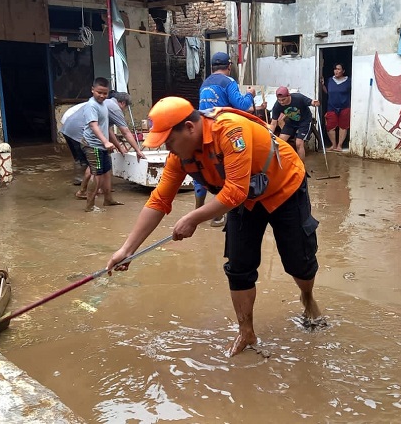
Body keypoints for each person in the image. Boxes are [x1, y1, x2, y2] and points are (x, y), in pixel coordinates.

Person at [105, 97, 324, 357]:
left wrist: (193, 218)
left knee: (298, 261)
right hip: (246, 198)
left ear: (189, 128)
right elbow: (159, 200)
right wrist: (127, 249)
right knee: (239, 266)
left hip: (284, 187)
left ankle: (307, 296)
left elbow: (234, 192)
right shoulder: (179, 156)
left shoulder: (230, 131)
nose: (168, 149)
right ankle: (246, 332)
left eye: (169, 141)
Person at [195, 51, 258, 228]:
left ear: (212, 67)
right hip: (222, 131)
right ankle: (217, 216)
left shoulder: (205, 83)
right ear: (229, 66)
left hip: (203, 131)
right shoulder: (229, 82)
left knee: (202, 169)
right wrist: (250, 94)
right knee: (224, 171)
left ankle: (198, 212)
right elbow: (243, 105)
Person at [77, 92, 146, 199]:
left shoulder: (107, 104)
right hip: (90, 139)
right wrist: (138, 150)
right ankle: (86, 195)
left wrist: (120, 147)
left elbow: (108, 131)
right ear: (123, 103)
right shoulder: (114, 108)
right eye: (126, 107)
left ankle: (101, 193)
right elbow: (125, 132)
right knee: (95, 170)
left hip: (87, 134)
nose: (124, 110)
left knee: (101, 167)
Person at [80, 77, 126, 212]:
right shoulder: (91, 105)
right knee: (97, 174)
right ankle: (89, 206)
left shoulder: (103, 104)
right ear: (92, 90)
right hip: (92, 145)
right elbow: (94, 126)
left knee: (106, 172)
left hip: (101, 145)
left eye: (105, 93)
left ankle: (108, 199)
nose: (102, 95)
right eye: (99, 92)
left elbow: (106, 127)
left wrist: (114, 143)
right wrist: (105, 142)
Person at [269, 86, 320, 161]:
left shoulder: (298, 98)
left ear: (288, 95)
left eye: (283, 99)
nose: (281, 102)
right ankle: (284, 162)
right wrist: (269, 134)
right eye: (279, 100)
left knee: (299, 143)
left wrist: (315, 103)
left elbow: (311, 102)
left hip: (304, 121)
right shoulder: (277, 105)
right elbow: (273, 123)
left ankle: (301, 166)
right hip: (291, 121)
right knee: (280, 141)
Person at [320, 63, 352, 151]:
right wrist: (322, 85)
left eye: (338, 69)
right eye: (335, 69)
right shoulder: (330, 80)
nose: (336, 71)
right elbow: (327, 92)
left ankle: (339, 146)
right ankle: (333, 145)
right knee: (330, 126)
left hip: (345, 107)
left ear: (343, 71)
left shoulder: (349, 81)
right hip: (331, 106)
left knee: (343, 126)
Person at [60, 101, 89, 186]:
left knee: (77, 154)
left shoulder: (90, 103)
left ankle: (79, 176)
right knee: (84, 154)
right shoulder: (99, 106)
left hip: (66, 125)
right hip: (74, 126)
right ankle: (82, 178)